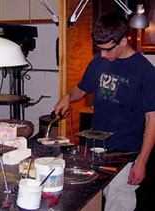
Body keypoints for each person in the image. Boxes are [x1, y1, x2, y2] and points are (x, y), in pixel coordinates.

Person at [54, 12, 155, 210]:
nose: (102, 54)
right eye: (99, 49)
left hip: (126, 153)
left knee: (118, 200)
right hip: (95, 149)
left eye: (108, 49)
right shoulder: (99, 62)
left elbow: (152, 119)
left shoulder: (146, 72)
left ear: (123, 41)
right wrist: (67, 97)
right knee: (89, 200)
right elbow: (81, 88)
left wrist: (142, 161)